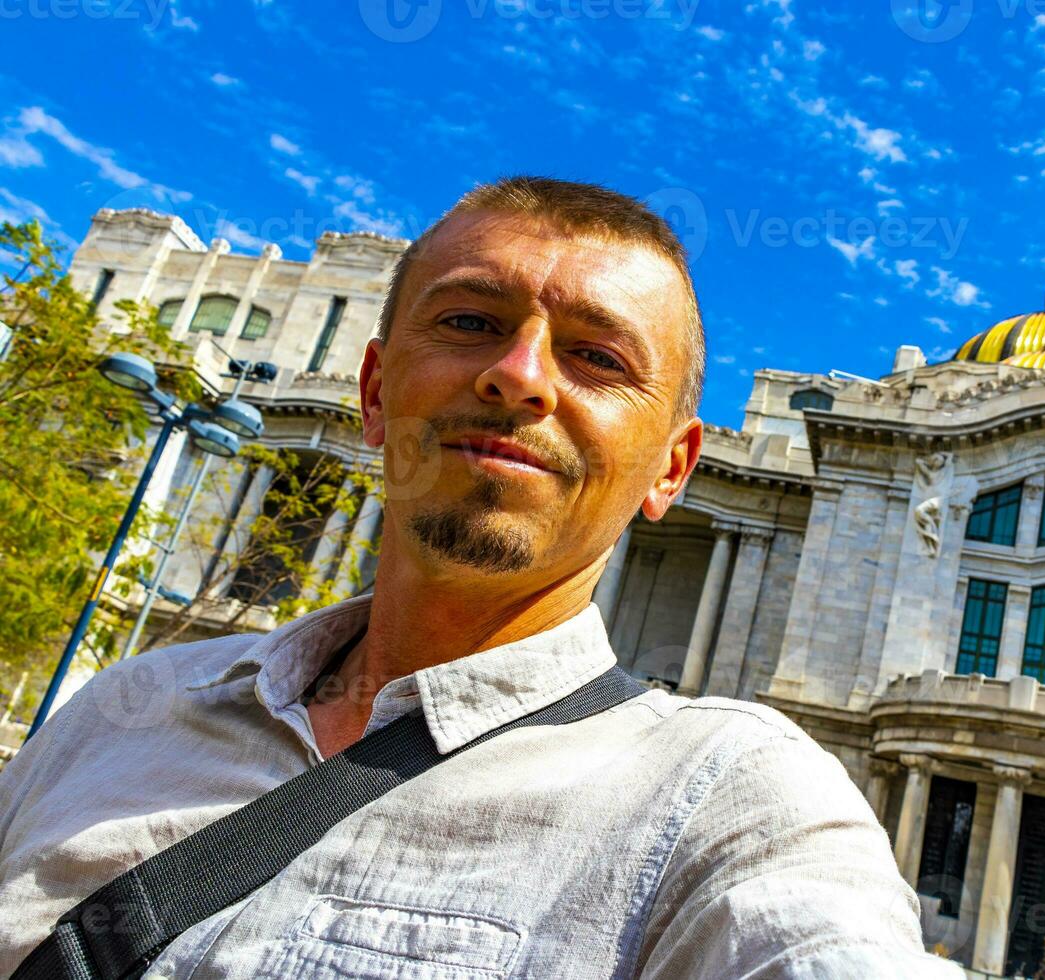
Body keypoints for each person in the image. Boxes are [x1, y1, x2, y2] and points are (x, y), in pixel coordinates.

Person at [0, 177, 964, 978]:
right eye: (469, 319)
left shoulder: (737, 802)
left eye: (596, 355)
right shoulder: (121, 707)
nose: (519, 376)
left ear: (672, 469)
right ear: (374, 393)